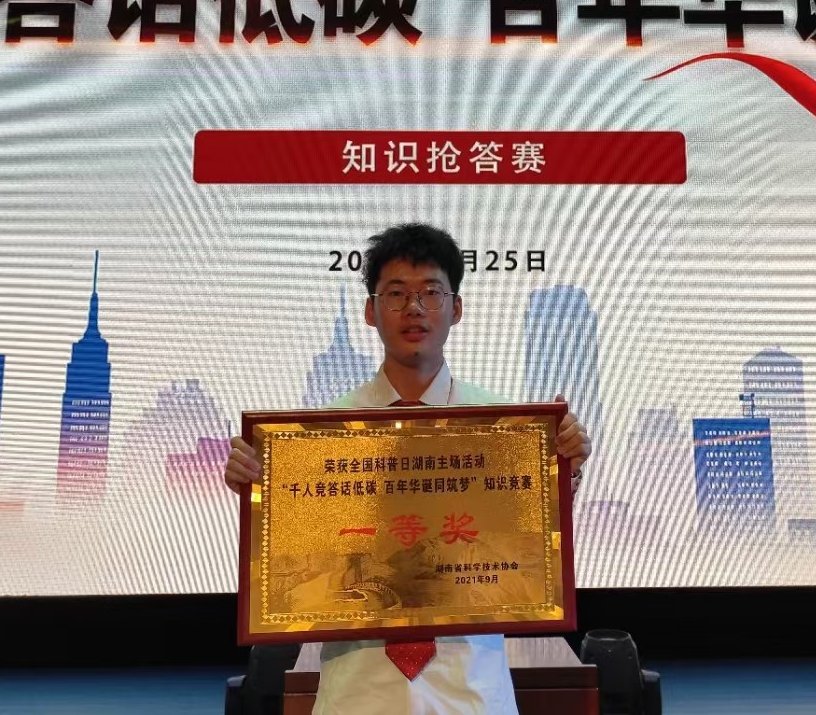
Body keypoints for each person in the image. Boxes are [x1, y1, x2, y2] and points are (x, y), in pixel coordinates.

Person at [224, 223, 592, 715]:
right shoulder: (317, 438)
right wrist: (258, 494)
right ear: (370, 311)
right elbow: (302, 563)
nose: (414, 308)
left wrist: (563, 472)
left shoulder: (504, 429)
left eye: (431, 293)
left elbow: (525, 554)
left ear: (456, 309)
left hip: (470, 691)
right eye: (396, 294)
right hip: (359, 692)